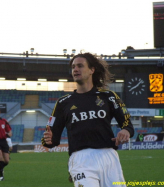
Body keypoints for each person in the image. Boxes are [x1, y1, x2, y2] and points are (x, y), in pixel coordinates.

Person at [42, 53, 134, 187]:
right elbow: (50, 139)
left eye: (80, 66)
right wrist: (47, 139)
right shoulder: (63, 102)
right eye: (73, 67)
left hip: (109, 157)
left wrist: (126, 130)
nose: (75, 69)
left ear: (92, 70)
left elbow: (127, 123)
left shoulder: (108, 96)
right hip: (81, 160)